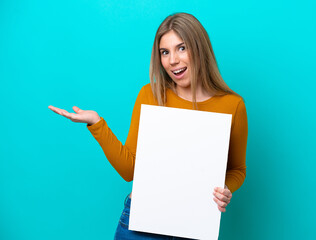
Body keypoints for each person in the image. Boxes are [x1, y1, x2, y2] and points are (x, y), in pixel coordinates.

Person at [49, 12, 248, 240]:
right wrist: (96, 123)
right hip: (141, 228)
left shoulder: (232, 105)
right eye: (165, 52)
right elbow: (129, 170)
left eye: (181, 48)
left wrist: (225, 189)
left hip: (196, 227)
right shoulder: (150, 95)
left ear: (200, 48)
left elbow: (237, 170)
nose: (172, 60)